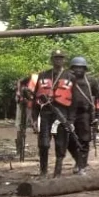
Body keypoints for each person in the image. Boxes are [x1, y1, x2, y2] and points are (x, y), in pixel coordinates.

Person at [34, 50, 77, 179]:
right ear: (52, 60)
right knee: (44, 143)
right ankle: (43, 172)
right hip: (46, 112)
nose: (58, 60)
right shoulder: (43, 75)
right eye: (56, 58)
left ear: (64, 60)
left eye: (61, 58)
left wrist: (71, 120)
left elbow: (74, 101)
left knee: (60, 143)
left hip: (62, 113)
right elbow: (35, 98)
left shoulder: (70, 76)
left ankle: (57, 172)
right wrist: (34, 118)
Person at [67, 57, 99, 175]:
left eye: (81, 67)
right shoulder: (67, 80)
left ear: (85, 69)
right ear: (72, 68)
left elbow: (98, 97)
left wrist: (97, 115)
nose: (78, 70)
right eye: (76, 67)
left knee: (84, 140)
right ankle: (78, 160)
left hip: (85, 113)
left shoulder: (91, 81)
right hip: (69, 114)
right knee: (69, 140)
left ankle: (82, 165)